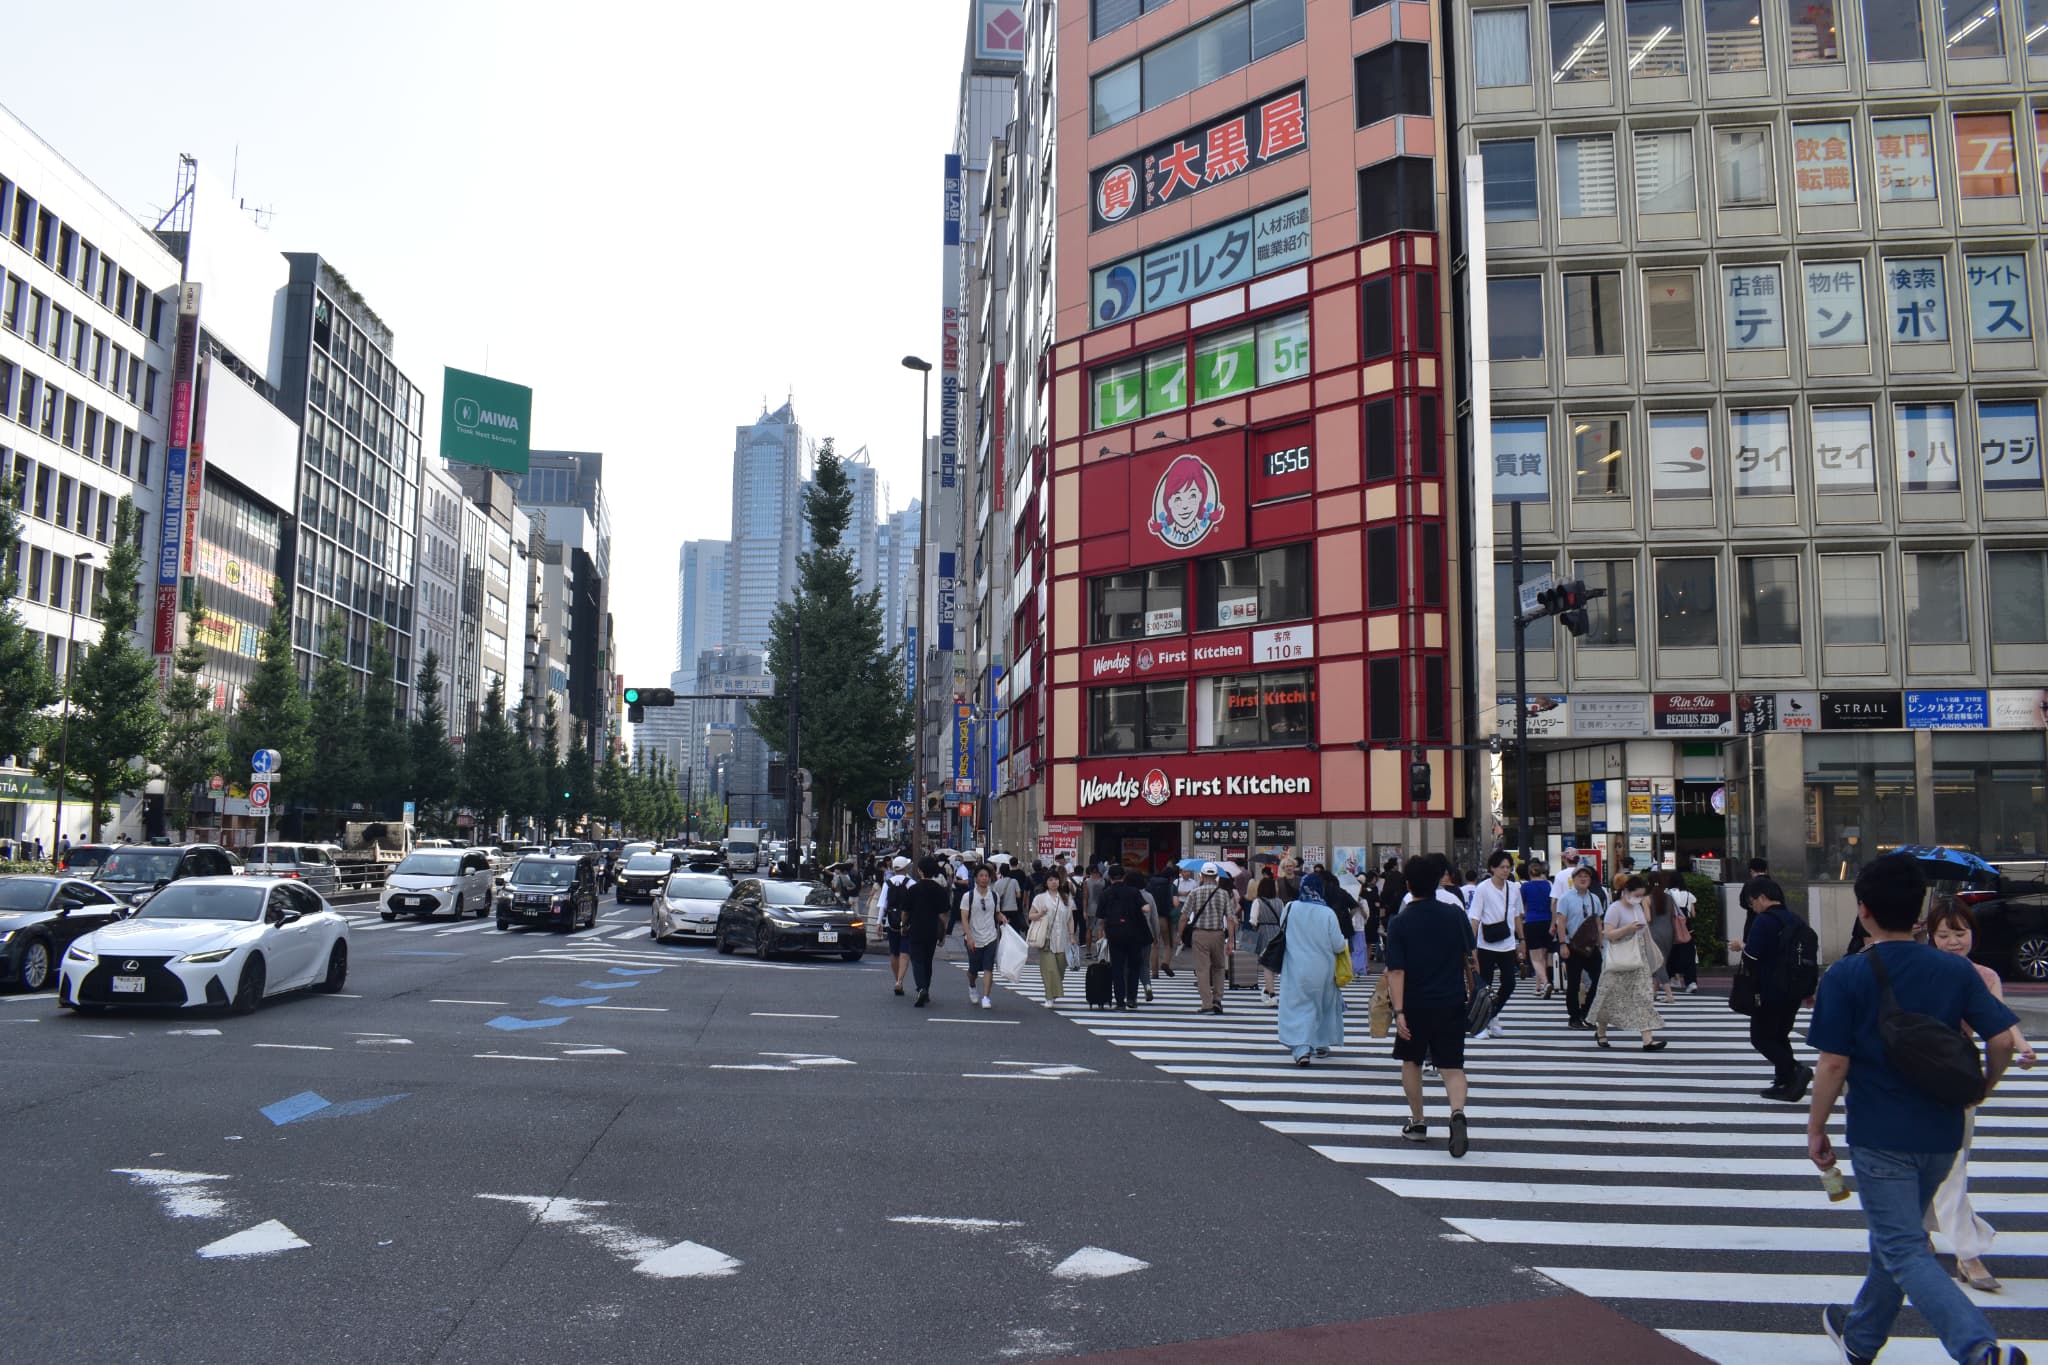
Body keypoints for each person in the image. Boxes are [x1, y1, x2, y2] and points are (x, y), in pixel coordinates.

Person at [1806, 853, 2025, 1365]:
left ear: (1863, 910)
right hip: (1941, 1131)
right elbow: (2001, 1040)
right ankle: (1861, 1337)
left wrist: (1816, 1128)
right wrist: (1982, 1088)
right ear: (1921, 913)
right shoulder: (1954, 970)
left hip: (1879, 1132)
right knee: (1897, 1239)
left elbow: (1833, 1063)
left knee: (1903, 1245)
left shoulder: (1847, 974)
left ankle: (1979, 1349)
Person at [1924, 901, 2036, 1293]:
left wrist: (2022, 1045)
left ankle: (1933, 1237)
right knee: (1941, 1165)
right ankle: (1967, 1252)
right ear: (1930, 937)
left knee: (1948, 1164)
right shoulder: (1923, 969)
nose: (1953, 941)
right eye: (1944, 934)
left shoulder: (1984, 975)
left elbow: (1999, 1020)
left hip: (1957, 1075)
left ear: (1973, 934)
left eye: (1960, 933)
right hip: (1923, 1073)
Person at [1386, 855, 1477, 1156]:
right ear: (1438, 881)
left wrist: (1399, 1011)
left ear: (1408, 885)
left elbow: (1396, 971)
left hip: (1414, 1004)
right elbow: (1470, 957)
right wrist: (1472, 992)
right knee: (1452, 1066)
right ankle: (1457, 1112)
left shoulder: (1400, 922)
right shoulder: (1455, 915)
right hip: (1451, 999)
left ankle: (1418, 1122)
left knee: (1411, 1061)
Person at [1743, 876, 1814, 1102]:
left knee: (1761, 1037)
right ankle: (1785, 1082)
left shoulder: (1764, 921)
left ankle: (1795, 1070)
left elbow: (1751, 956)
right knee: (1780, 1035)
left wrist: (1742, 948)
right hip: (1793, 989)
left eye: (1752, 902)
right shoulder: (1796, 920)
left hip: (1770, 988)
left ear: (1763, 898)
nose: (1753, 907)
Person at [1276, 873, 1346, 1066]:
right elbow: (1338, 944)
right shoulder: (1328, 913)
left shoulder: (1290, 908)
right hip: (1323, 969)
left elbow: (1282, 931)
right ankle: (1321, 1043)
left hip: (1295, 967)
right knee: (1321, 1005)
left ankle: (1301, 1048)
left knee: (1298, 1007)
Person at [1588, 875, 1666, 1050]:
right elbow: (1608, 934)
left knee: (1643, 996)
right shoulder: (1615, 909)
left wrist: (1651, 951)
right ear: (1626, 892)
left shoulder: (1638, 907)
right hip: (1619, 957)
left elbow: (1645, 931)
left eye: (1641, 895)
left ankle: (1647, 1039)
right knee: (1609, 995)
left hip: (1639, 957)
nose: (1639, 898)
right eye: (1637, 895)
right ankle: (1601, 1031)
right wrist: (1628, 929)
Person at [1467, 851, 1524, 1038]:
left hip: (1507, 943)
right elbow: (1475, 918)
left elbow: (1517, 916)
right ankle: (1481, 1024)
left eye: (1508, 867)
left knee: (1509, 983)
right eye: (1502, 867)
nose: (1505, 870)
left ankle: (1491, 1014)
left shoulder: (1514, 888)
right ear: (1492, 868)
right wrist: (1472, 946)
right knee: (1485, 985)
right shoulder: (1483, 889)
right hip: (1486, 944)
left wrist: (1522, 940)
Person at [1181, 863, 1237, 1016]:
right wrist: (1231, 940)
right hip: (1218, 934)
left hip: (1199, 934)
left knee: (1203, 969)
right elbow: (1230, 918)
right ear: (1216, 877)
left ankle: (1207, 1003)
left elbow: (1184, 916)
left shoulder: (1194, 892)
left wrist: (1179, 935)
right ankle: (1217, 1000)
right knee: (1219, 967)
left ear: (1202, 876)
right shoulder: (1224, 894)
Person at [897, 857, 954, 1007]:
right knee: (928, 961)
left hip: (916, 928)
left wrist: (903, 925)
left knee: (917, 960)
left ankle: (921, 988)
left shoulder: (913, 889)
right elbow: (944, 915)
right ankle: (926, 989)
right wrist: (943, 934)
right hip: (932, 930)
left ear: (919, 870)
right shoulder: (939, 890)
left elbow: (905, 912)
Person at [1095, 866, 1153, 1012]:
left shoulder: (1105, 894)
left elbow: (1100, 918)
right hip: (1134, 935)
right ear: (1124, 877)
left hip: (1114, 935)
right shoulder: (1134, 892)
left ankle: (1120, 1001)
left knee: (1117, 968)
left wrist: (1102, 934)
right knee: (1134, 967)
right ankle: (1132, 999)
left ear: (1109, 878)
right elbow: (1146, 908)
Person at [1556, 863, 1605, 1029]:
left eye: (1586, 876)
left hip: (1591, 947)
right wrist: (1562, 943)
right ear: (1573, 879)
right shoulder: (1566, 898)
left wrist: (1600, 943)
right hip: (1573, 945)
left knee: (1600, 979)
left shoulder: (1595, 898)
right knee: (1574, 983)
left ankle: (1587, 1011)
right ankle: (1574, 1016)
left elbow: (1598, 922)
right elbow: (1561, 922)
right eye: (1580, 876)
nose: (1583, 879)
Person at [1028, 869, 1076, 1004]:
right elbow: (1030, 915)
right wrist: (1041, 914)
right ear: (1046, 883)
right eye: (1050, 880)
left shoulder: (1065, 898)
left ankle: (1053, 993)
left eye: (1056, 879)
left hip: (1063, 940)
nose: (1054, 882)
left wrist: (1072, 936)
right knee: (1049, 969)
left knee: (1060, 969)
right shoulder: (1040, 898)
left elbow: (1070, 919)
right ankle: (1049, 996)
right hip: (1046, 939)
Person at [959, 865, 1002, 1011]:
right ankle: (972, 985)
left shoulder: (994, 896)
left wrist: (1002, 917)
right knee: (973, 970)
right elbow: (964, 918)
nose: (984, 878)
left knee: (988, 967)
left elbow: (996, 913)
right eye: (981, 876)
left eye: (986, 876)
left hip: (991, 936)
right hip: (973, 937)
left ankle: (986, 997)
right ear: (976, 879)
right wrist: (969, 936)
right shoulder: (968, 896)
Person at [1520, 859, 1555, 998]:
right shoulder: (1549, 885)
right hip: (1547, 921)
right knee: (1543, 957)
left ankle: (1545, 983)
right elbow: (1553, 903)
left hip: (1532, 921)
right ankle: (1538, 987)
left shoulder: (1525, 887)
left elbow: (1522, 906)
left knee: (1535, 958)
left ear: (1529, 873)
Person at [1250, 871, 1286, 1001]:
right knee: (1273, 963)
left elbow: (1253, 920)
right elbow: (1283, 919)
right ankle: (1267, 990)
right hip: (1277, 932)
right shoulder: (1280, 902)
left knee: (1266, 965)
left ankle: (1271, 993)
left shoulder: (1258, 901)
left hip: (1263, 931)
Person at [881, 855, 914, 996]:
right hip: (907, 923)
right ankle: (899, 981)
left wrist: (878, 922)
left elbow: (882, 905)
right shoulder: (911, 883)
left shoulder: (887, 883)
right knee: (905, 952)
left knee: (894, 953)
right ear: (905, 868)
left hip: (891, 922)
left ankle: (897, 981)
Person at [1663, 871, 1699, 994]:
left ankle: (1672, 978)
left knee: (1671, 955)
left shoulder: (1667, 894)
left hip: (1671, 929)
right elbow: (1693, 914)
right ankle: (1691, 982)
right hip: (1687, 930)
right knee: (1689, 956)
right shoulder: (1689, 895)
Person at [1647, 876, 1679, 1006]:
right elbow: (1673, 916)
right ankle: (1654, 992)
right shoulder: (1669, 898)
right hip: (1669, 932)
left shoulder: (1647, 899)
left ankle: (1669, 994)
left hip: (1654, 932)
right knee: (1662, 961)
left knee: (1658, 963)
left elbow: (1648, 919)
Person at [1150, 865, 1184, 979]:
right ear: (1171, 877)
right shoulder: (1171, 886)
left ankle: (1154, 973)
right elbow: (1175, 903)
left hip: (1153, 918)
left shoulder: (1151, 884)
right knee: (1168, 944)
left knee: (1154, 945)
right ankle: (1165, 963)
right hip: (1165, 918)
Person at [992, 860, 1025, 935]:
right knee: (1015, 930)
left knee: (1003, 930)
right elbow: (1019, 895)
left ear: (1001, 872)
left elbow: (994, 897)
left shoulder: (997, 883)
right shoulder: (1014, 881)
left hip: (1001, 910)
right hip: (1013, 909)